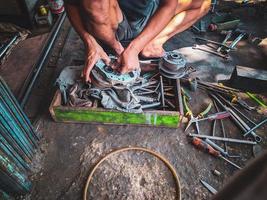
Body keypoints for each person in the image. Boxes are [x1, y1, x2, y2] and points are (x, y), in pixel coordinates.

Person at [64, 0, 211, 82]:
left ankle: (153, 43)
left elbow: (169, 5)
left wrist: (134, 48)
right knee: (95, 3)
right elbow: (71, 4)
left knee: (203, 2)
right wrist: (90, 43)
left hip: (149, 13)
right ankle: (115, 47)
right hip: (111, 25)